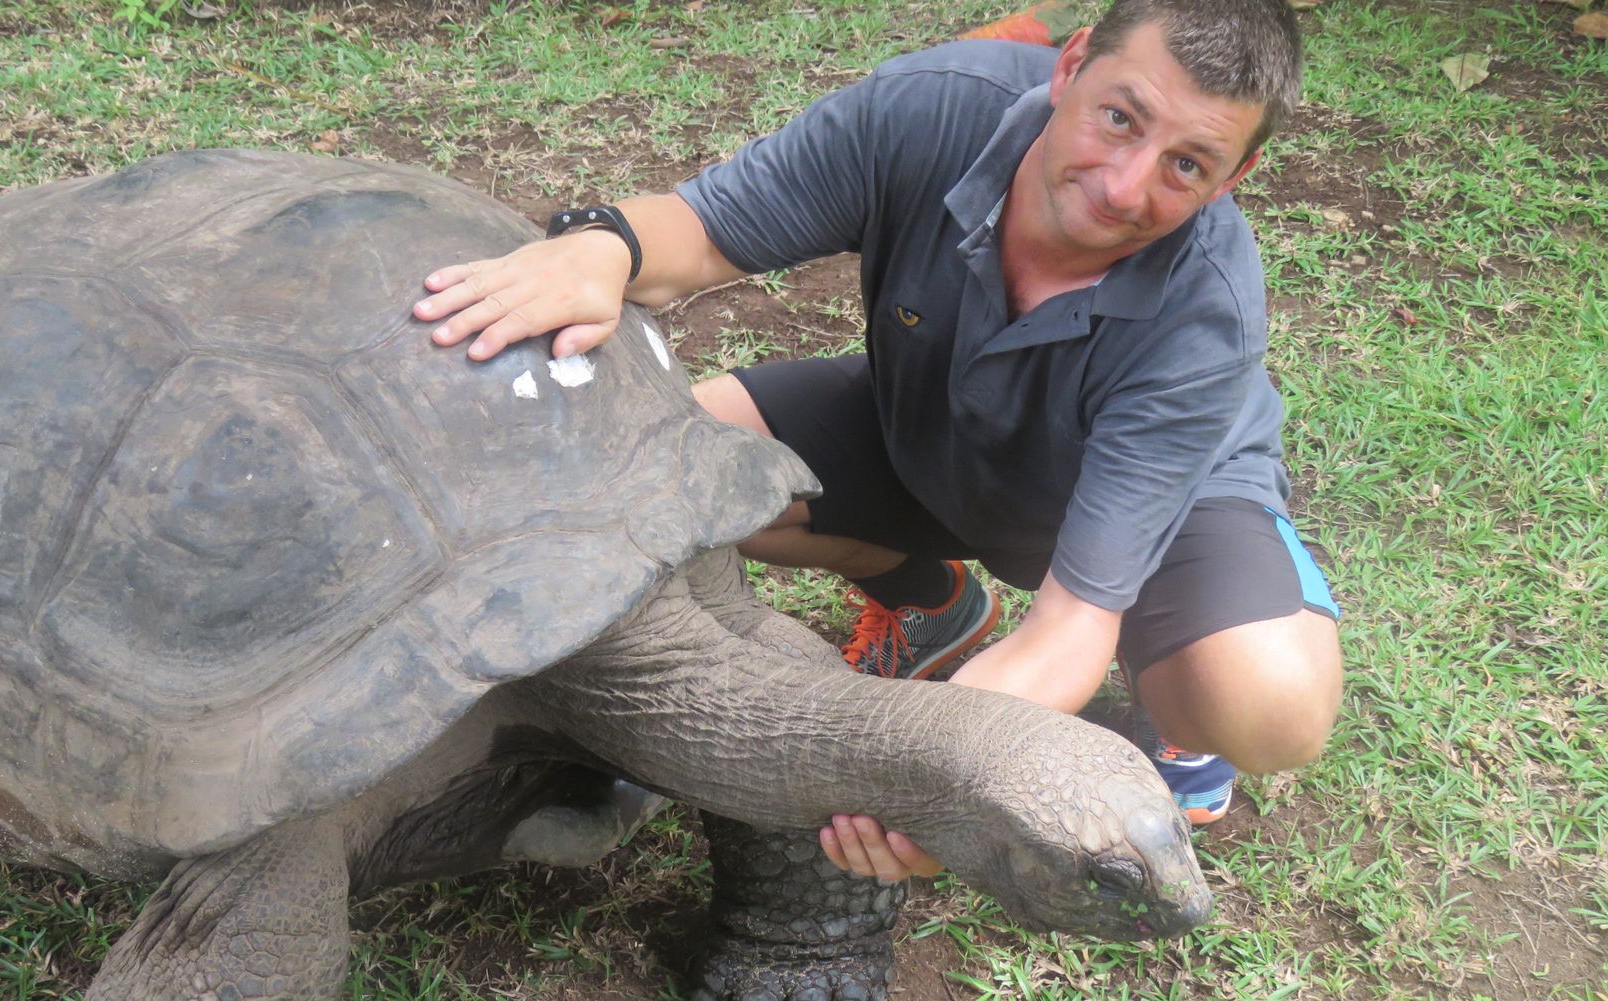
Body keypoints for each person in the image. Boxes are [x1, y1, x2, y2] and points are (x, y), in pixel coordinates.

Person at [411, 0, 1343, 884]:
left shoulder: (1207, 313)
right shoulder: (930, 110)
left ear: (1234, 177)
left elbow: (1071, 626)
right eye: (1120, 118)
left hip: (1164, 504)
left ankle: (1177, 704)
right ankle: (934, 603)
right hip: (934, 424)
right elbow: (700, 230)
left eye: (1188, 165)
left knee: (1273, 704)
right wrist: (601, 247)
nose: (1124, 185)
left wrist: (930, 787)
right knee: (654, 470)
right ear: (1071, 66)